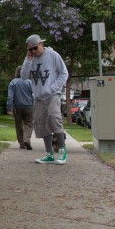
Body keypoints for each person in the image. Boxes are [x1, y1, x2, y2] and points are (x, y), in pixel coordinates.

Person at [20, 34, 69, 164]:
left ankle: (62, 150)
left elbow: (64, 74)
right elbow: (24, 76)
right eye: (30, 49)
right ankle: (49, 154)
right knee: (40, 124)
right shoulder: (30, 58)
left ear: (41, 43)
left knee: (54, 118)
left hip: (52, 95)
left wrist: (52, 88)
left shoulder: (53, 55)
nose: (33, 51)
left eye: (35, 48)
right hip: (38, 97)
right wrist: (28, 59)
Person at [7, 66, 35, 150]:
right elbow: (34, 95)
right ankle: (27, 139)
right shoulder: (30, 82)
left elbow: (10, 96)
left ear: (16, 72)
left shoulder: (13, 83)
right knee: (29, 124)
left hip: (17, 107)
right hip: (29, 107)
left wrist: (9, 108)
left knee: (18, 125)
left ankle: (22, 143)